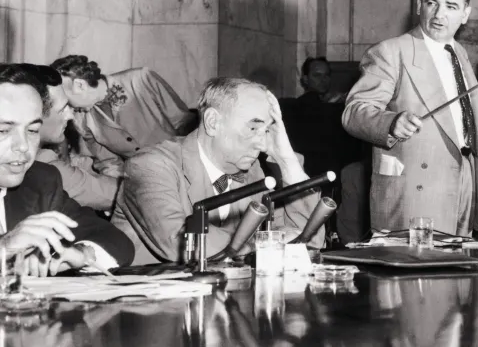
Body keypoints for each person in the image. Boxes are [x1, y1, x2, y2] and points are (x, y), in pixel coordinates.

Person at [342, 0, 478, 236]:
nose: (439, 15)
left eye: (451, 6)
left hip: (463, 180)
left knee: (457, 268)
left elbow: (451, 117)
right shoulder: (391, 52)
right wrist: (391, 122)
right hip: (416, 188)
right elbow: (354, 113)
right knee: (418, 271)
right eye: (432, 3)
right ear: (419, 5)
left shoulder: (458, 52)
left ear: (465, 14)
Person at [111, 77, 324, 265]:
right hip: (145, 302)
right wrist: (266, 244)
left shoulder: (251, 171)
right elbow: (181, 242)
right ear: (213, 122)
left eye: (267, 130)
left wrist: (286, 160)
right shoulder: (150, 166)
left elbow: (307, 243)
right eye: (253, 128)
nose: (261, 143)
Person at [0, 65, 134, 275]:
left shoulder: (40, 180)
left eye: (33, 130)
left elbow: (116, 240)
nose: (24, 145)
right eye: (4, 130)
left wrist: (80, 253)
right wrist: (4, 248)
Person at [50, 55, 196, 179]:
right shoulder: (80, 119)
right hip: (142, 181)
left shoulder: (141, 79)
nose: (66, 107)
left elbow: (184, 122)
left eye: (65, 98)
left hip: (186, 169)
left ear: (80, 85)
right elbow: (109, 163)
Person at [21, 65, 119, 212]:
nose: (70, 115)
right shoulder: (44, 167)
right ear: (34, 116)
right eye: (62, 109)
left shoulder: (41, 154)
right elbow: (112, 196)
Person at [280, 56, 361, 184]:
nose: (323, 80)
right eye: (317, 75)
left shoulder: (337, 106)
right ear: (305, 79)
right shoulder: (299, 107)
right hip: (311, 172)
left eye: (326, 75)